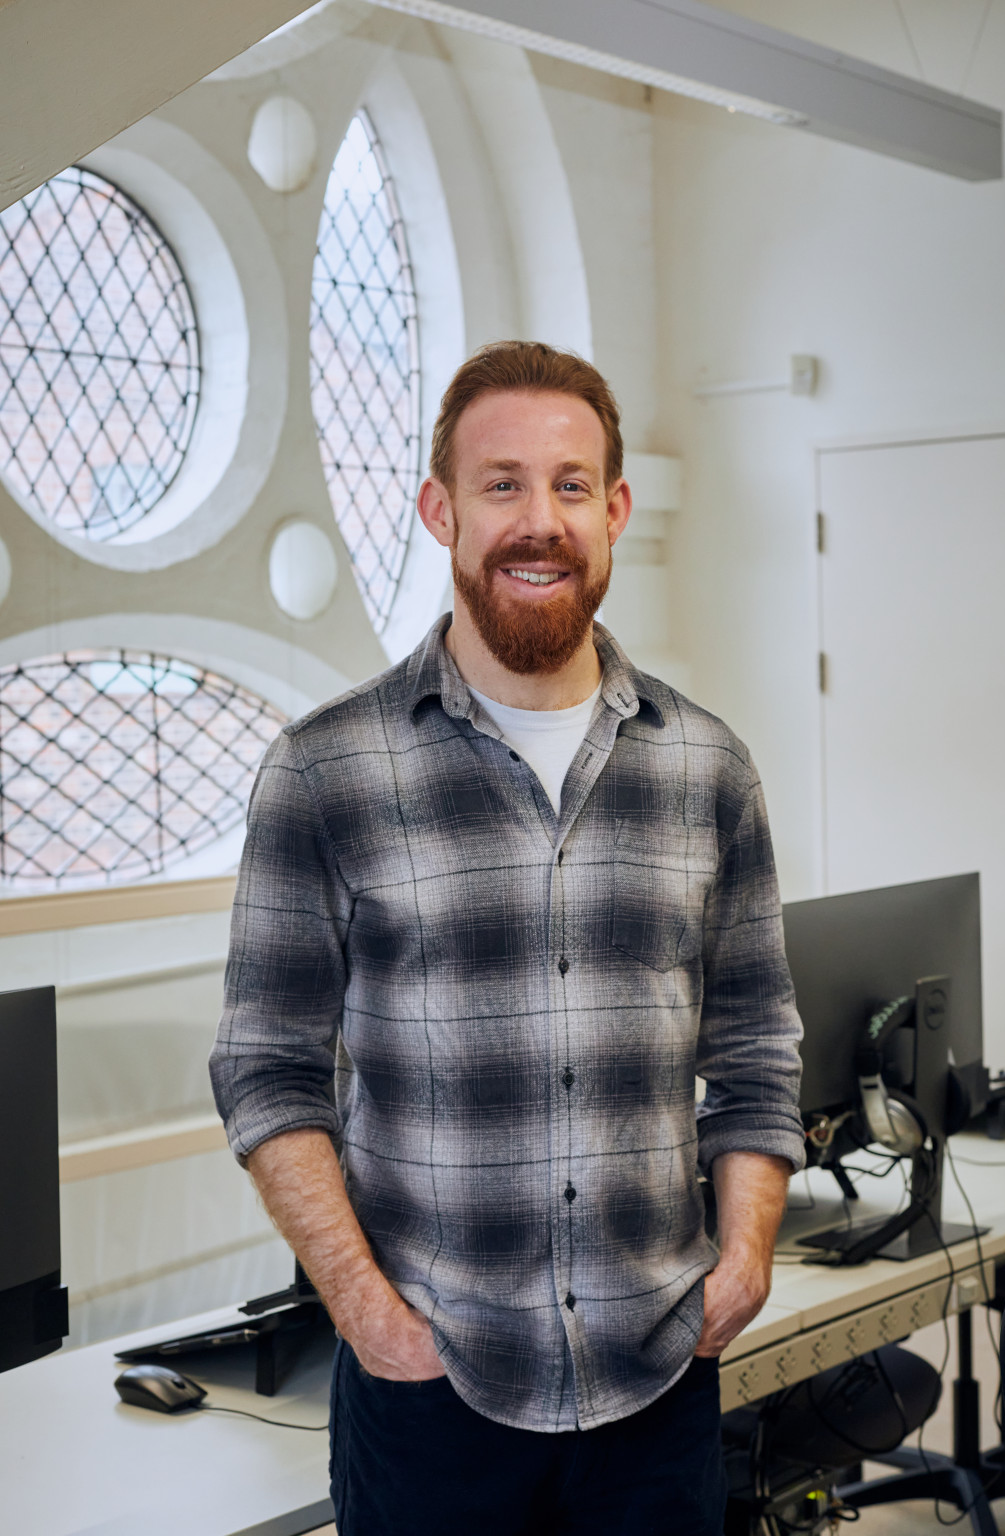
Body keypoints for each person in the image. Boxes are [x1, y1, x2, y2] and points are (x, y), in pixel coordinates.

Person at [210, 341, 805, 1536]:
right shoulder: (326, 772)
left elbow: (754, 1049)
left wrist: (743, 1259)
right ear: (440, 510)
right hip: (429, 1394)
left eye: (570, 485)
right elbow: (265, 1070)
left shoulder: (707, 768)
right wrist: (367, 1313)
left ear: (615, 511)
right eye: (502, 485)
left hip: (656, 1390)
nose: (541, 521)